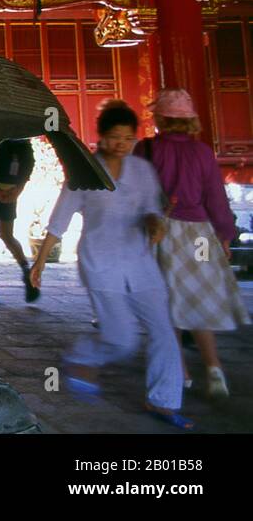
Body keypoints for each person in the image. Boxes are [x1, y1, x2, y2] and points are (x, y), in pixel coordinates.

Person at [30, 101, 192, 429]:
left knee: (164, 331)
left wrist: (155, 224)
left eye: (129, 138)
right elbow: (59, 221)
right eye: (116, 137)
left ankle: (163, 400)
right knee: (121, 338)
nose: (122, 144)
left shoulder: (142, 171)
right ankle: (82, 357)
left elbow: (151, 210)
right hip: (100, 264)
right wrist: (40, 263)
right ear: (102, 137)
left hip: (140, 263)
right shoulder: (85, 171)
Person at [136, 88, 249, 400]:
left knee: (166, 303)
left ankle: (181, 371)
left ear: (160, 117)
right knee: (196, 300)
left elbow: (135, 192)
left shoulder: (146, 150)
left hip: (161, 232)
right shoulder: (202, 153)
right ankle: (214, 368)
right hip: (199, 235)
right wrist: (224, 236)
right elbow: (216, 198)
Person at [0, 139, 38, 303]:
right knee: (5, 236)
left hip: (0, 191)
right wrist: (16, 190)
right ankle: (23, 271)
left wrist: (15, 190)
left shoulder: (9, 139)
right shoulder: (21, 140)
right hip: (3, 190)